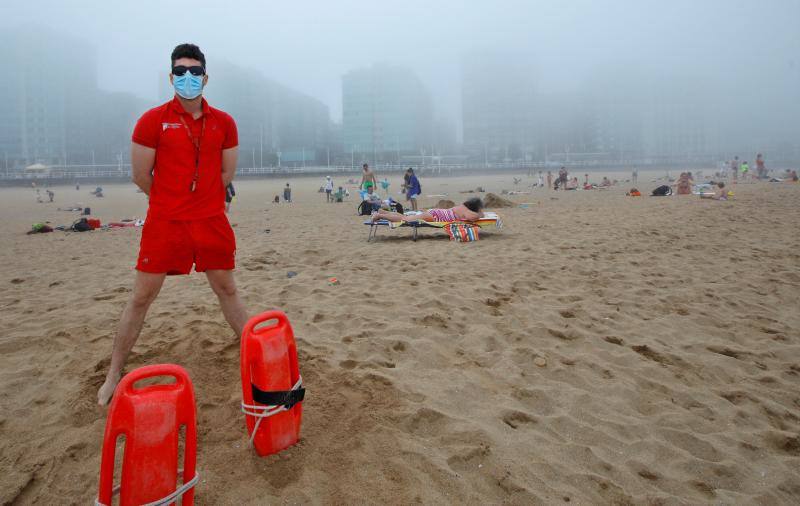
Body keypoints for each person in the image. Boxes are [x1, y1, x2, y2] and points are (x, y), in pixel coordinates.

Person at [97, 43, 247, 405]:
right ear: (171, 77)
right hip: (166, 222)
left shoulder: (224, 122)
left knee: (226, 289)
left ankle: (253, 352)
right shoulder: (152, 120)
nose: (188, 78)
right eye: (180, 72)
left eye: (194, 72)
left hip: (211, 220)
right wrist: (170, 201)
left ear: (206, 77)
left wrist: (202, 201)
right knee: (142, 297)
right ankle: (114, 371)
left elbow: (226, 173)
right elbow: (140, 174)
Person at [372, 197, 484, 223]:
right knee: (405, 218)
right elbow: (471, 217)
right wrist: (480, 214)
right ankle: (380, 216)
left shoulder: (461, 206)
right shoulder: (467, 211)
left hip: (435, 213)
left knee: (405, 216)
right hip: (435, 216)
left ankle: (384, 212)